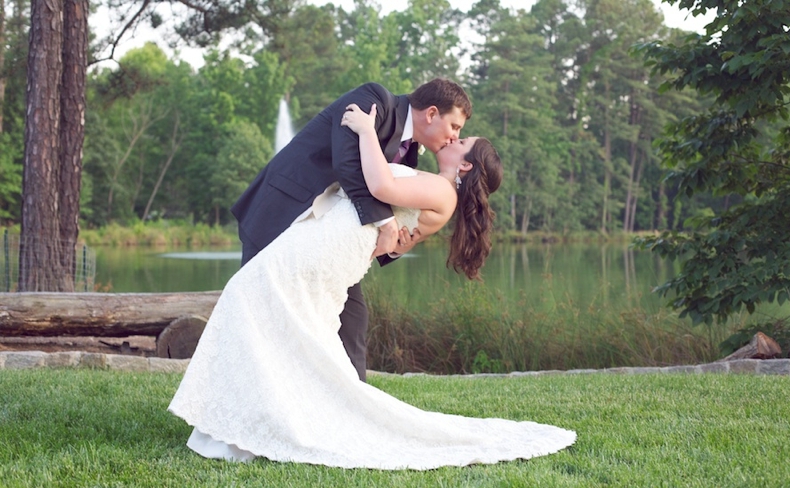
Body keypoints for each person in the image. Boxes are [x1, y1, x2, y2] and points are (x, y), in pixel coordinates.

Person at [167, 102, 576, 469]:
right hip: (327, 239)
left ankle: (250, 427)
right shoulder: (435, 184)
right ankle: (260, 421)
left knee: (251, 297)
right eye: (456, 128)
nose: (454, 136)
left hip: (331, 246)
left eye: (462, 138)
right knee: (282, 320)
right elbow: (397, 235)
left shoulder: (440, 188)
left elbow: (381, 188)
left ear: (465, 165)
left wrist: (365, 132)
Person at [231, 78, 471, 382]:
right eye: (455, 126)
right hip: (280, 211)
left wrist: (400, 243)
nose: (454, 137)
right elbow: (347, 163)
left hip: (322, 239)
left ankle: (350, 403)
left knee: (352, 318)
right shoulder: (374, 100)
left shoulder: (409, 153)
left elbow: (391, 203)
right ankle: (245, 393)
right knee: (256, 309)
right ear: (432, 113)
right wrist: (386, 223)